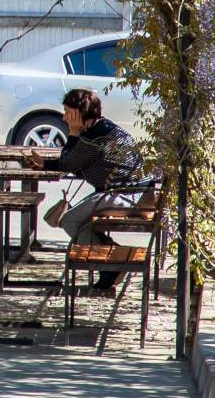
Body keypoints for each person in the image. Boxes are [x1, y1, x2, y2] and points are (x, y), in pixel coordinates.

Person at [42, 88, 152, 287]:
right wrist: (44, 164)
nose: (65, 118)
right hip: (132, 193)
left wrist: (73, 133)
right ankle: (111, 258)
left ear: (79, 113)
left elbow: (69, 164)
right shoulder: (101, 128)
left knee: (70, 221)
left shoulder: (95, 135)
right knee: (80, 222)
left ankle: (111, 264)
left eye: (68, 112)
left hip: (125, 195)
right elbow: (76, 163)